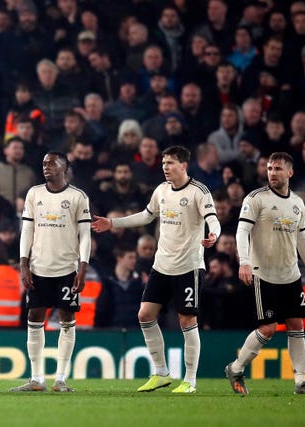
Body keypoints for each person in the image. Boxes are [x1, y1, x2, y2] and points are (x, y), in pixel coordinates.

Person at [92, 145, 220, 394]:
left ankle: (190, 381)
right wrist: (113, 223)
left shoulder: (199, 191)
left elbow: (212, 218)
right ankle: (161, 372)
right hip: (162, 266)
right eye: (163, 163)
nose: (165, 167)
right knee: (145, 315)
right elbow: (146, 216)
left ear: (183, 165)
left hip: (189, 267)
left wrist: (214, 233)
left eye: (170, 163)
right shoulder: (161, 190)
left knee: (187, 319)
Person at [224, 152, 305, 396]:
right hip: (263, 275)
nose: (272, 172)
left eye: (277, 168)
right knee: (267, 329)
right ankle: (236, 368)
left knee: (296, 325)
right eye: (269, 168)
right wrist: (244, 262)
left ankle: (300, 382)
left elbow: (302, 237)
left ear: (290, 172)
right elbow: (241, 231)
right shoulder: (256, 198)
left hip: (291, 275)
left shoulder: (298, 202)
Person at [9, 150, 91, 393]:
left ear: (64, 167)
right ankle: (37, 379)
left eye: (52, 163)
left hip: (67, 269)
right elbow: (27, 231)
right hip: (38, 269)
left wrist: (82, 267)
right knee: (34, 318)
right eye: (44, 163)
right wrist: (24, 264)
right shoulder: (34, 194)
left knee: (67, 320)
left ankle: (61, 379)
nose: (46, 167)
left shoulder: (78, 197)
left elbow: (85, 235)